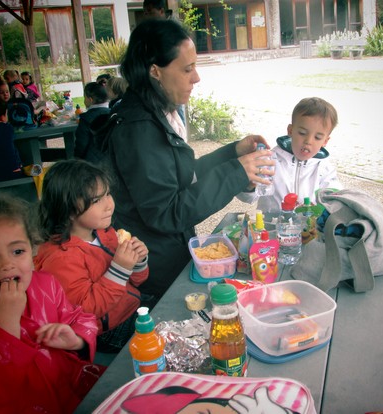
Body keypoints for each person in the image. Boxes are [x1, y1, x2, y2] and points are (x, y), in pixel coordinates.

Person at [99, 18, 271, 308]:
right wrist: (236, 173)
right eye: (187, 68)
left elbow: (181, 178)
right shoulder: (139, 131)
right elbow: (166, 212)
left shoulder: (156, 112)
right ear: (155, 71)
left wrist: (233, 154)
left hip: (169, 254)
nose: (196, 78)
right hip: (154, 271)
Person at [0, 194, 101, 413]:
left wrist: (75, 340)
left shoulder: (46, 284)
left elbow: (80, 318)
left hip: (72, 391)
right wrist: (7, 325)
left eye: (18, 251)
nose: (8, 265)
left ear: (32, 250)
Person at [34, 159, 149, 353]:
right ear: (68, 210)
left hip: (131, 306)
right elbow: (87, 310)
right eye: (96, 200)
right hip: (107, 331)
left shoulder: (104, 232)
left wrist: (138, 261)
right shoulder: (61, 258)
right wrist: (119, 269)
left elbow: (137, 281)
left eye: (107, 194)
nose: (109, 205)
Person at [237, 97, 343, 212]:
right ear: (290, 131)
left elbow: (335, 199)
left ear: (325, 141)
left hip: (307, 227)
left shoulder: (325, 169)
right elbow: (248, 198)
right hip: (271, 225)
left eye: (317, 137)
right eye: (302, 133)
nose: (309, 141)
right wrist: (249, 186)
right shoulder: (270, 160)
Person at [74, 81, 110, 162]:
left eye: (84, 97)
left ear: (90, 100)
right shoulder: (113, 113)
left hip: (92, 162)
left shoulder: (86, 118)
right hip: (111, 160)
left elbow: (81, 143)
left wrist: (77, 159)